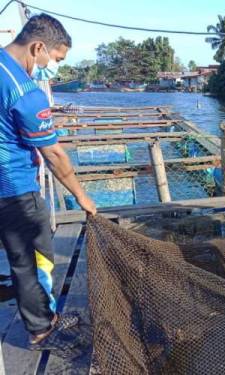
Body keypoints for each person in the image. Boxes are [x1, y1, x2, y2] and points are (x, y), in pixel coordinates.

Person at [0, 14, 97, 350]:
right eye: (56, 59)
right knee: (33, 261)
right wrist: (82, 197)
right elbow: (55, 156)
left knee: (18, 257)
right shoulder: (26, 93)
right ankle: (43, 328)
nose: (52, 67)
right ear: (38, 47)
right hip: (15, 189)